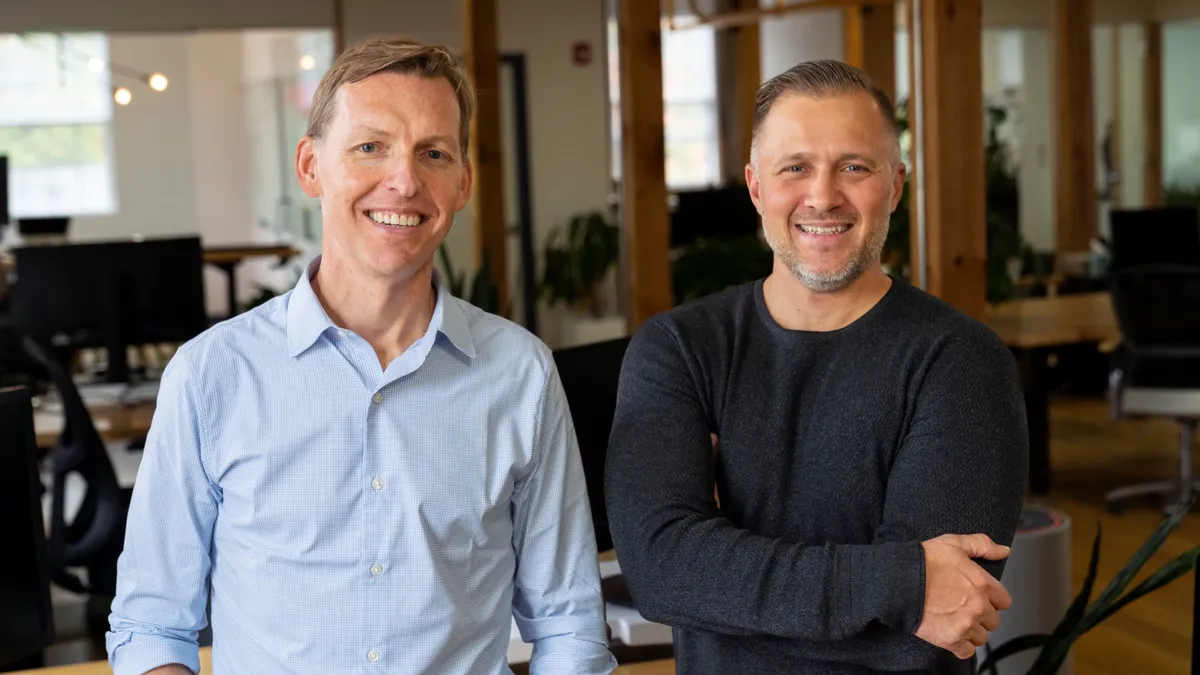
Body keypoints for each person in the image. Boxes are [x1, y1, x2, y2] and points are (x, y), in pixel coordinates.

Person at [107, 37, 616, 675]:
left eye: (433, 153)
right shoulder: (211, 375)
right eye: (369, 146)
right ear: (311, 166)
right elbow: (151, 626)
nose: (403, 180)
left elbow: (569, 625)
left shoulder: (521, 374)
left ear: (462, 183)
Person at [605, 60, 1028, 674]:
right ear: (755, 187)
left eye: (854, 167)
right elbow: (661, 574)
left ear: (897, 184)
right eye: (795, 167)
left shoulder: (962, 363)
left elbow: (925, 634)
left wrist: (723, 579)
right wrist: (901, 584)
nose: (823, 196)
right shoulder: (680, 349)